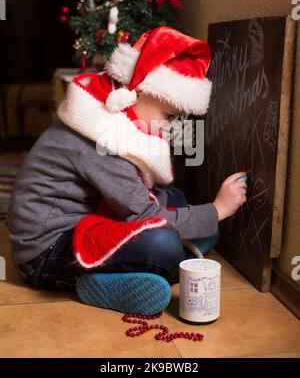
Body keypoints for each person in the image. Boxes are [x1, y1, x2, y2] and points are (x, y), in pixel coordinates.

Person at [8, 26, 247, 315]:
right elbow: (145, 215)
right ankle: (95, 283)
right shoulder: (102, 137)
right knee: (164, 246)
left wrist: (199, 214)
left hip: (83, 218)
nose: (168, 127)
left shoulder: (111, 112)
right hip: (44, 253)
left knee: (174, 197)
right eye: (168, 116)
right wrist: (217, 210)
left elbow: (142, 194)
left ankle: (157, 259)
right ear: (135, 94)